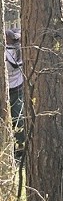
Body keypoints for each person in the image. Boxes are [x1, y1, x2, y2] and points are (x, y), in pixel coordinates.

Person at [5, 28, 24, 157]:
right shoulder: (21, 51)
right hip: (18, 87)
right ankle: (20, 145)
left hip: (5, 89)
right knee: (18, 118)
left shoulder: (4, 52)